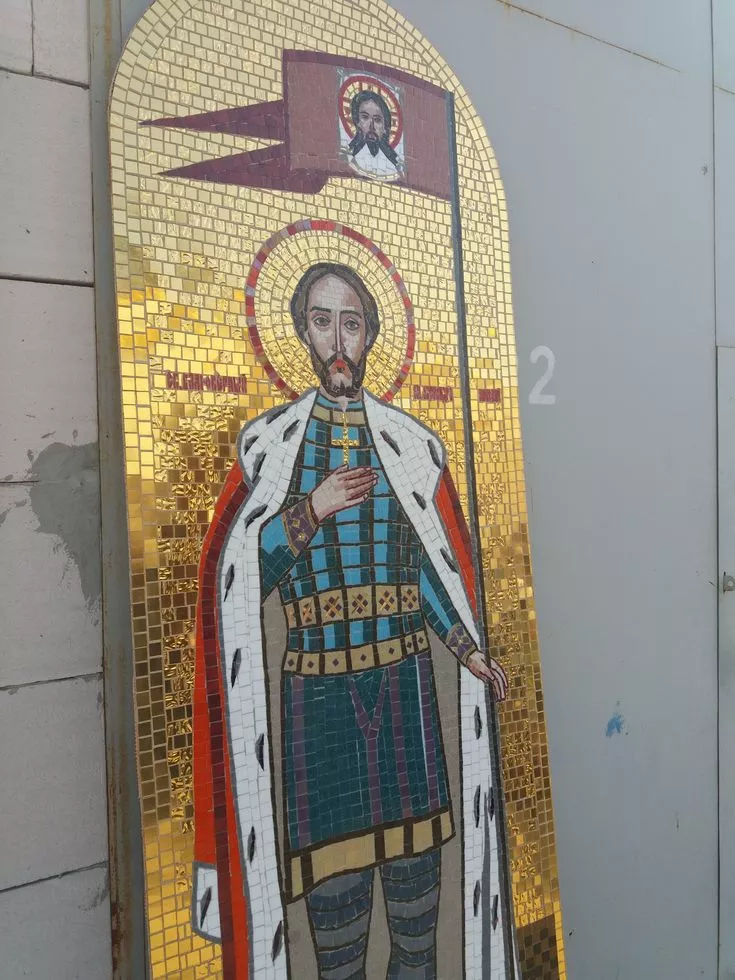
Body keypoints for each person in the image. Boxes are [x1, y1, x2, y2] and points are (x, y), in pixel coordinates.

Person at [191, 262, 508, 980]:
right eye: (322, 321)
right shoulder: (273, 448)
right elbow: (239, 580)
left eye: (352, 323)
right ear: (302, 333)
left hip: (405, 693)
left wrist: (467, 650)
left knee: (417, 925)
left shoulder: (405, 446)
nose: (338, 341)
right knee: (337, 938)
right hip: (320, 701)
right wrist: (312, 508)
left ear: (370, 335)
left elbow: (425, 569)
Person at [346, 90, 402, 179]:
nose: (371, 126)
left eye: (377, 120)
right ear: (357, 122)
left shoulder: (395, 168)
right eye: (365, 117)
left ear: (385, 128)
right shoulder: (346, 157)